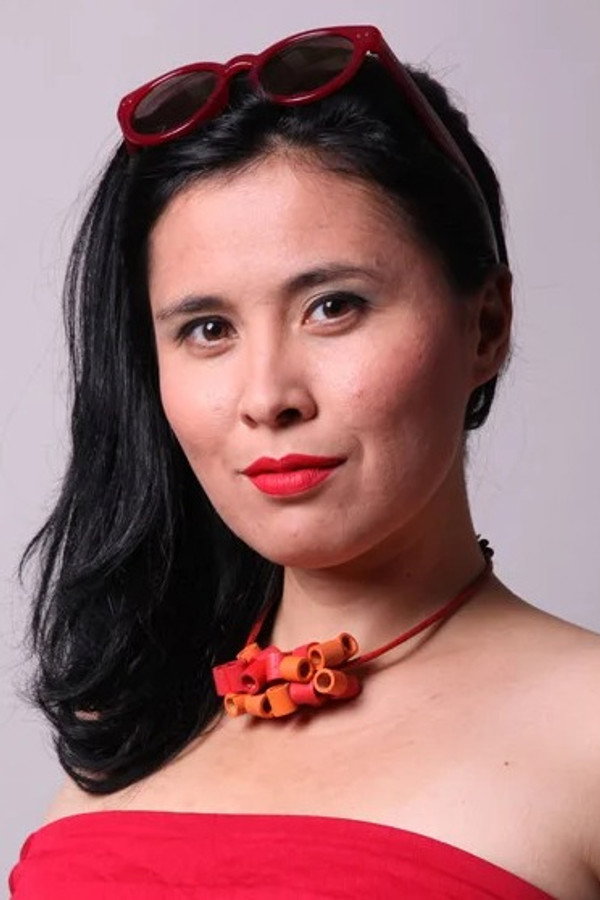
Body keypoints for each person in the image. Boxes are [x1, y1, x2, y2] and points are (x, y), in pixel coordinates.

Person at [7, 23, 600, 900]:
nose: (267, 395)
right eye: (208, 329)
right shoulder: (132, 728)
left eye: (332, 307)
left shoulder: (587, 733)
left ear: (485, 325)